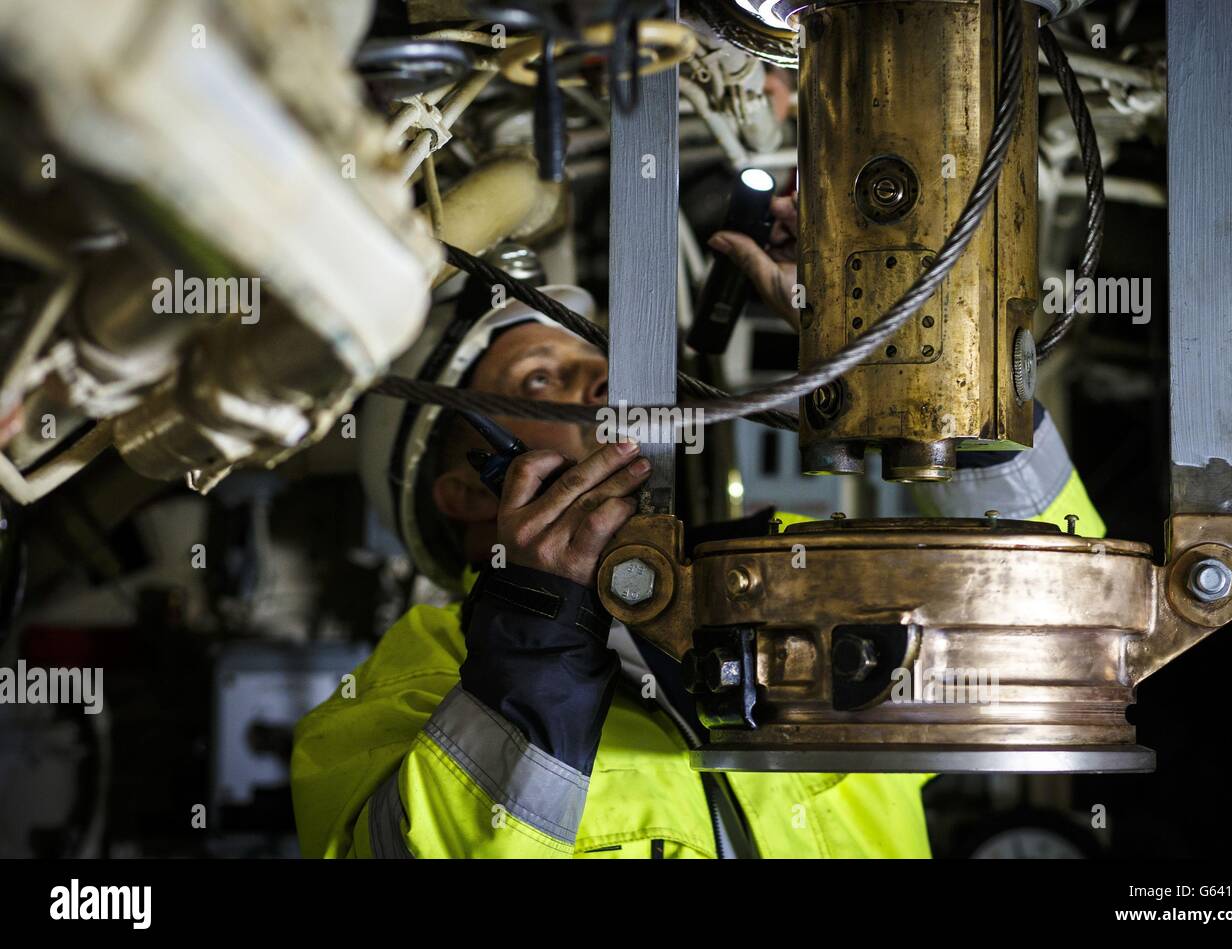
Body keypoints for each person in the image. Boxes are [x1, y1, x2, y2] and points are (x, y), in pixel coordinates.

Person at [290, 211, 1105, 859]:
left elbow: (1060, 621)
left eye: (596, 361)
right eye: (539, 377)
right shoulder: (397, 697)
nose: (597, 382)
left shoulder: (788, 572)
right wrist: (536, 637)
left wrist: (905, 357)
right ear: (468, 487)